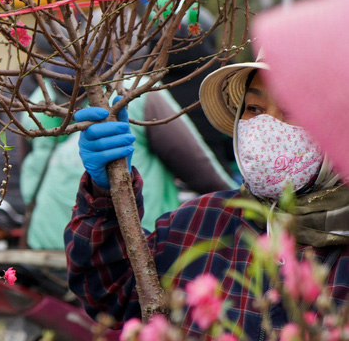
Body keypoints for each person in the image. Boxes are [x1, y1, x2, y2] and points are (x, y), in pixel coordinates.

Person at [65, 58, 349, 341]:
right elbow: (110, 291)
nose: (268, 126)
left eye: (291, 110)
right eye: (254, 109)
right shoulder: (197, 223)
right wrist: (105, 193)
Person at [21, 66, 234, 250]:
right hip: (131, 247)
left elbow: (21, 171)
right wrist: (244, 204)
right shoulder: (135, 92)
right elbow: (199, 169)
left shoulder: (42, 96)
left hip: (45, 239)